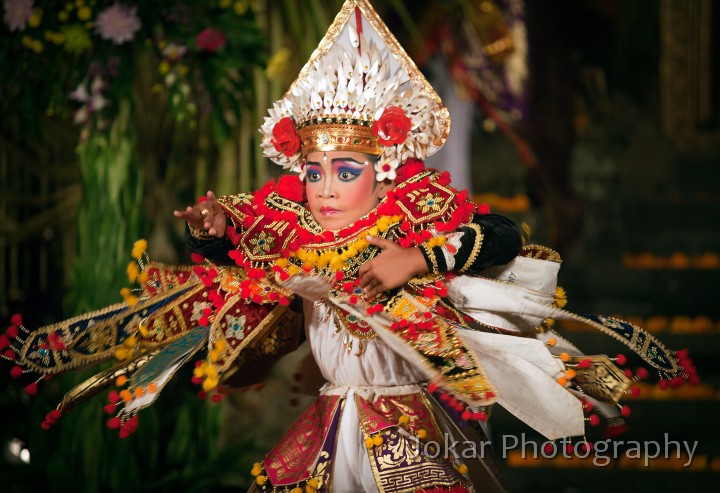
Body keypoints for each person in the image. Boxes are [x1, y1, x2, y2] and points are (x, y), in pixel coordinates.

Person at [4, 1, 695, 492]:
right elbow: (243, 256)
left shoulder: (405, 218)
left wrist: (415, 258)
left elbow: (500, 235)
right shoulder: (294, 229)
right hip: (330, 419)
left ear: (382, 169)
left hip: (406, 421)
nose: (324, 188)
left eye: (345, 171)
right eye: (312, 172)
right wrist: (211, 228)